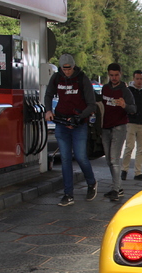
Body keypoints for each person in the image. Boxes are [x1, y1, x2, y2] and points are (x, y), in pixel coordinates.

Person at [44, 53, 98, 207]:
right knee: (66, 159)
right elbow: (48, 94)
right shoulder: (56, 78)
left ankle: (91, 182)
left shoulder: (82, 78)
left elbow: (92, 104)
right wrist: (48, 110)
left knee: (80, 157)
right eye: (64, 69)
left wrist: (80, 117)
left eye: (69, 69)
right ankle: (68, 194)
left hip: (78, 123)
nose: (67, 72)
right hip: (61, 122)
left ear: (73, 67)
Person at [101, 63, 136, 201]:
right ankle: (116, 186)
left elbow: (133, 109)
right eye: (111, 75)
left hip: (119, 127)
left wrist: (124, 105)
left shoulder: (125, 91)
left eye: (116, 75)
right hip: (105, 127)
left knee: (114, 159)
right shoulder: (105, 88)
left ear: (120, 74)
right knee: (109, 159)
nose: (114, 78)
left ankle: (117, 189)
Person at [122, 70, 142, 182]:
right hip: (131, 122)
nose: (139, 81)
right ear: (133, 79)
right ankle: (124, 170)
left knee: (141, 150)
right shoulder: (128, 91)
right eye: (137, 79)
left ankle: (138, 172)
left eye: (141, 79)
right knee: (129, 147)